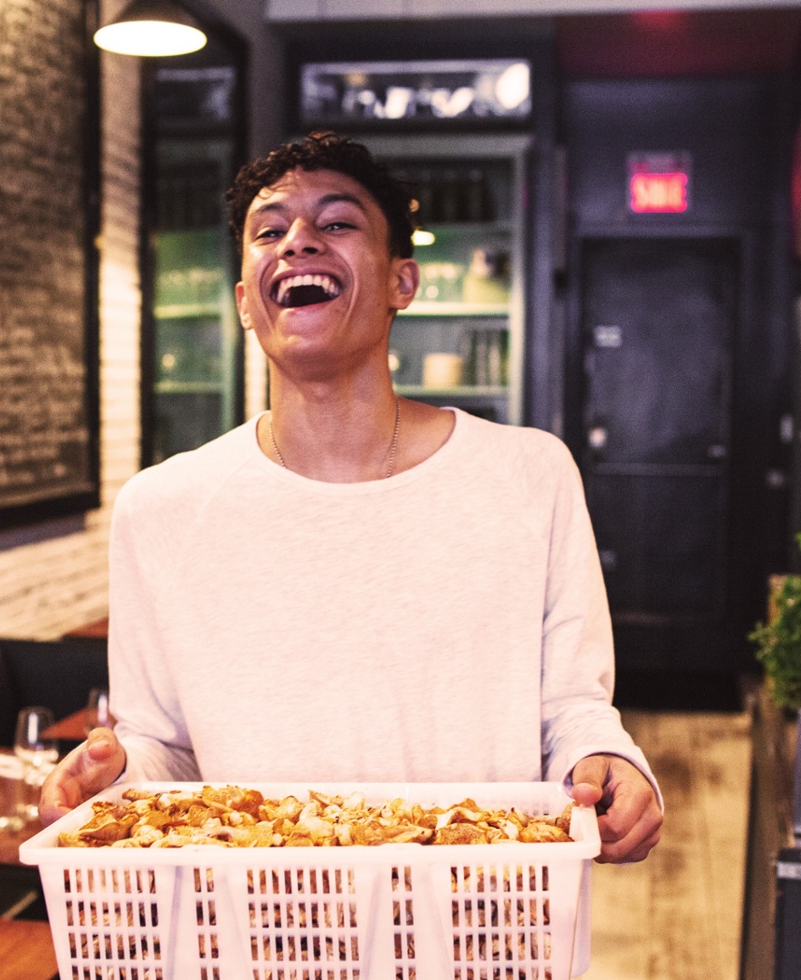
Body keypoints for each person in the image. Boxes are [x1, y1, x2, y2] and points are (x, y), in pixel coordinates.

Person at [41, 130, 663, 865]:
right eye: (269, 231)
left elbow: (575, 710)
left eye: (336, 223)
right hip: (254, 921)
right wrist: (116, 777)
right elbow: (165, 748)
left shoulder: (530, 475)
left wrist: (607, 762)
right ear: (245, 302)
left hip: (483, 914)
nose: (298, 241)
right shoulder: (161, 508)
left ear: (403, 282)